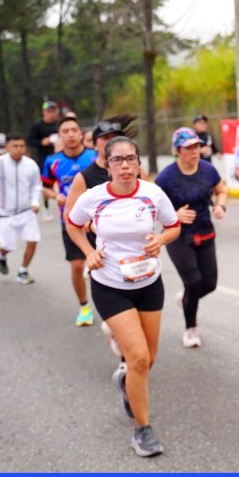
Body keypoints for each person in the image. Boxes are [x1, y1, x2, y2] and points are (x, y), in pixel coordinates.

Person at [66, 136, 180, 457]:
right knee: (139, 358)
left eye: (131, 159)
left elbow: (173, 226)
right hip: (110, 285)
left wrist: (161, 240)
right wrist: (88, 251)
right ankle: (142, 430)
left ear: (139, 163)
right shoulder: (94, 197)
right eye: (118, 160)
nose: (126, 165)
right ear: (107, 165)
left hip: (149, 283)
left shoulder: (153, 193)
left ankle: (125, 380)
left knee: (148, 359)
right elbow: (73, 224)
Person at [64, 115, 141, 359]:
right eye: (105, 138)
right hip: (96, 242)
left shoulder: (134, 171)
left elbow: (147, 201)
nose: (110, 141)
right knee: (92, 276)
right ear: (94, 143)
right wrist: (91, 235)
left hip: (129, 245)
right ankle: (90, 309)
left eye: (115, 137)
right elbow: (70, 216)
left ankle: (120, 337)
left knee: (135, 293)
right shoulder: (85, 177)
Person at [155, 127, 228, 348]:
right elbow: (151, 206)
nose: (195, 151)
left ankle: (187, 299)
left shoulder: (208, 170)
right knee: (193, 282)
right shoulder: (166, 177)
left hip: (205, 232)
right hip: (177, 235)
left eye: (197, 146)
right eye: (188, 148)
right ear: (177, 151)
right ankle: (190, 329)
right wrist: (173, 215)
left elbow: (221, 190)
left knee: (210, 284)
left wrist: (220, 206)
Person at [42, 116, 98, 326]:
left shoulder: (94, 157)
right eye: (66, 131)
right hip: (70, 221)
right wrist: (55, 195)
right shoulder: (52, 161)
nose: (71, 134)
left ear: (81, 133)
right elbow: (45, 187)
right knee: (76, 265)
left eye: (74, 130)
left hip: (97, 220)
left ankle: (108, 302)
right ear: (60, 136)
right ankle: (84, 306)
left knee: (101, 264)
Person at [0, 134, 42, 284]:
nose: (19, 149)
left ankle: (23, 271)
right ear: (7, 147)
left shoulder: (31, 165)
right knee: (8, 246)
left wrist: (35, 202)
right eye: (15, 146)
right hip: (5, 214)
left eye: (22, 146)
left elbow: (36, 185)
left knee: (33, 241)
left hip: (26, 212)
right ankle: (1, 254)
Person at [27, 101, 59, 221]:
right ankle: (46, 210)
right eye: (48, 111)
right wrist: (41, 142)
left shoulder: (59, 124)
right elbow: (30, 141)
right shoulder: (38, 126)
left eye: (53, 111)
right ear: (43, 112)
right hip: (44, 159)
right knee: (46, 186)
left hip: (59, 158)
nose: (51, 113)